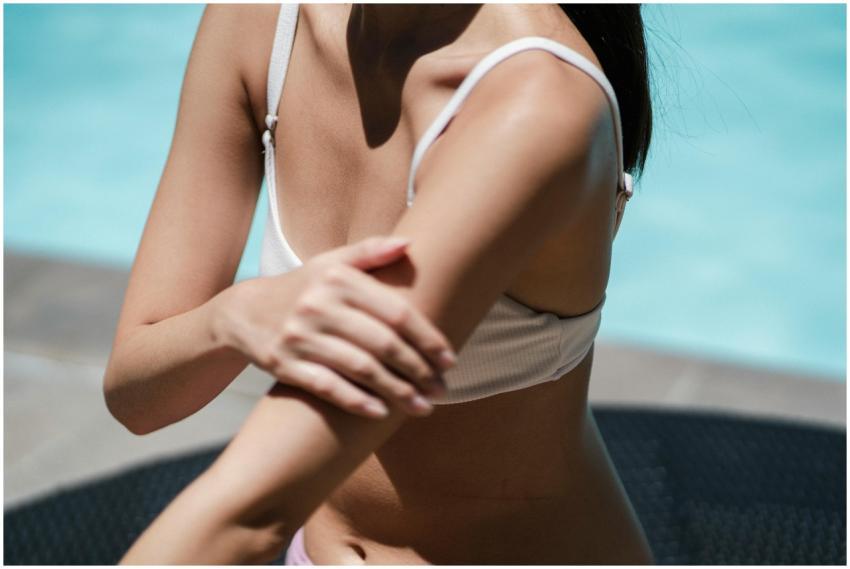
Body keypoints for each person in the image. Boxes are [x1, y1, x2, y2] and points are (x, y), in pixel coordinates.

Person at [104, 3, 654, 564]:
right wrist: (233, 317)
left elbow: (254, 510)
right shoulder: (263, 21)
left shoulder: (533, 102)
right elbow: (135, 395)